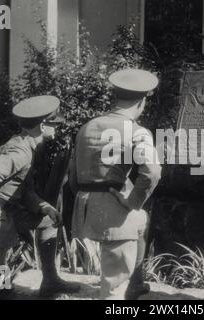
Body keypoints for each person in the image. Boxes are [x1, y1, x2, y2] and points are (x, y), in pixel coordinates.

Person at [0, 96, 79, 298]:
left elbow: (24, 189)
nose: (57, 128)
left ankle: (50, 280)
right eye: (54, 124)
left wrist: (43, 206)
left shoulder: (27, 145)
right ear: (42, 125)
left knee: (48, 221)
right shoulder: (20, 152)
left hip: (7, 212)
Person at [69, 69, 162, 300]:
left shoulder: (87, 127)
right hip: (115, 212)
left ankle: (136, 283)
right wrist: (133, 202)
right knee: (113, 291)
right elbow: (152, 172)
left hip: (84, 208)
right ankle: (126, 289)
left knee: (142, 220)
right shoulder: (137, 132)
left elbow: (72, 173)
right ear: (141, 102)